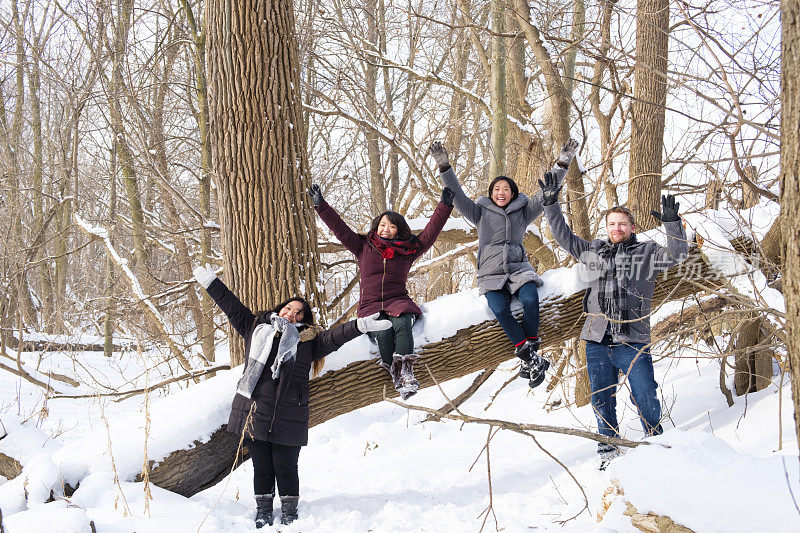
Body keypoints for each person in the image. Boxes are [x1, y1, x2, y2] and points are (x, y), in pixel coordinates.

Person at [192, 265, 390, 527]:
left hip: (290, 412)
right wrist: (211, 282)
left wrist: (360, 325)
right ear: (279, 308)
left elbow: (336, 336)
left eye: (299, 312)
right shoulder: (255, 328)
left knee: (286, 468)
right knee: (262, 468)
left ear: (304, 318)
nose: (292, 314)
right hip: (255, 409)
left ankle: (289, 513)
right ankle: (263, 511)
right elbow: (231, 305)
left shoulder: (309, 341)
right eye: (288, 308)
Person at [539, 172, 688, 468]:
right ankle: (608, 450)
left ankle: (654, 445)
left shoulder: (646, 252)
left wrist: (673, 223)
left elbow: (678, 254)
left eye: (622, 224)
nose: (616, 228)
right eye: (611, 224)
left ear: (632, 227)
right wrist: (550, 205)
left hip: (632, 337)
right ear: (606, 228)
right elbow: (564, 238)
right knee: (601, 399)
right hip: (597, 339)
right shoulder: (595, 251)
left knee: (645, 393)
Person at [428, 139, 579, 388]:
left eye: (506, 189)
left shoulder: (524, 210)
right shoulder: (479, 212)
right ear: (491, 194)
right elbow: (457, 195)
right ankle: (531, 358)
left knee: (531, 299)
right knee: (499, 309)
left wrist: (563, 162)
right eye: (497, 189)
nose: (501, 192)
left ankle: (530, 355)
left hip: (519, 269)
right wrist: (444, 166)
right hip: (490, 272)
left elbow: (546, 192)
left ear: (513, 193)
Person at [307, 185, 453, 399]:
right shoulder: (363, 246)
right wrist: (321, 205)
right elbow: (339, 228)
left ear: (398, 230)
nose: (386, 229)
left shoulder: (407, 251)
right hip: (370, 305)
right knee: (383, 332)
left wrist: (445, 206)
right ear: (376, 227)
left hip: (397, 301)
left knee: (403, 322)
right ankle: (395, 373)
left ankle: (406, 370)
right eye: (382, 224)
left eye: (391, 226)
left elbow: (431, 233)